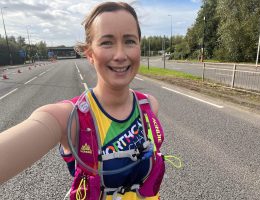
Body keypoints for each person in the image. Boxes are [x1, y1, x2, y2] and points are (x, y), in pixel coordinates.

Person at [0, 2, 166, 199]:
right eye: (107, 42)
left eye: (130, 41)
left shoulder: (148, 106)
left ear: (139, 46)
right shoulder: (69, 118)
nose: (121, 55)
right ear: (90, 54)